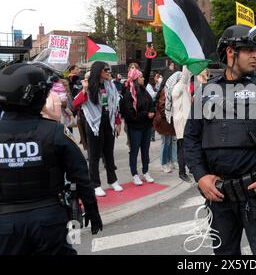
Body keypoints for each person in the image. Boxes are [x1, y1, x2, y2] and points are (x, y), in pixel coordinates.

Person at [184, 24, 256, 255]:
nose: (255, 55)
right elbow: (191, 138)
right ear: (231, 52)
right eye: (248, 49)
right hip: (219, 196)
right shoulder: (206, 92)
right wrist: (200, 176)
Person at [0, 63, 102, 255]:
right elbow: (80, 177)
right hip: (48, 221)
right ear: (32, 96)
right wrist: (92, 210)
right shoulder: (55, 132)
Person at [73, 61, 123, 197]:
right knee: (94, 155)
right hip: (94, 123)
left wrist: (117, 122)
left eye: (109, 70)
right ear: (98, 71)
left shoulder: (111, 85)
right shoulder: (89, 85)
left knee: (109, 152)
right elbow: (75, 103)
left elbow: (115, 106)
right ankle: (95, 184)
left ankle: (112, 180)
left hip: (108, 121)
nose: (108, 72)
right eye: (106, 70)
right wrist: (84, 89)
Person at [120, 69, 156, 185]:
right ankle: (134, 174)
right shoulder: (128, 94)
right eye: (141, 77)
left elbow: (151, 104)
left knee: (145, 150)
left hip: (146, 126)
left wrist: (152, 111)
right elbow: (130, 115)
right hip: (135, 127)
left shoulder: (144, 91)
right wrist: (146, 114)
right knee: (134, 151)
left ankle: (145, 171)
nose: (143, 78)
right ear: (135, 79)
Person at [170, 66, 192, 182]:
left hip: (185, 121)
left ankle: (187, 170)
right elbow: (185, 76)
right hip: (181, 122)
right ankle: (182, 172)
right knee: (182, 148)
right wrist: (186, 63)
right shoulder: (179, 86)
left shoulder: (184, 87)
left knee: (186, 147)